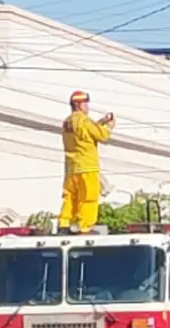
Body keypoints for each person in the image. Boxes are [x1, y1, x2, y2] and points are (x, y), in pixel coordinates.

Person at [59, 90, 115, 233]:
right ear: (78, 104)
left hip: (71, 169)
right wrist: (109, 126)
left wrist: (100, 122)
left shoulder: (66, 123)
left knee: (70, 197)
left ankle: (64, 224)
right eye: (85, 103)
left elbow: (84, 133)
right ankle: (84, 227)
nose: (87, 107)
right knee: (88, 198)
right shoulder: (84, 121)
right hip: (87, 166)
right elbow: (102, 135)